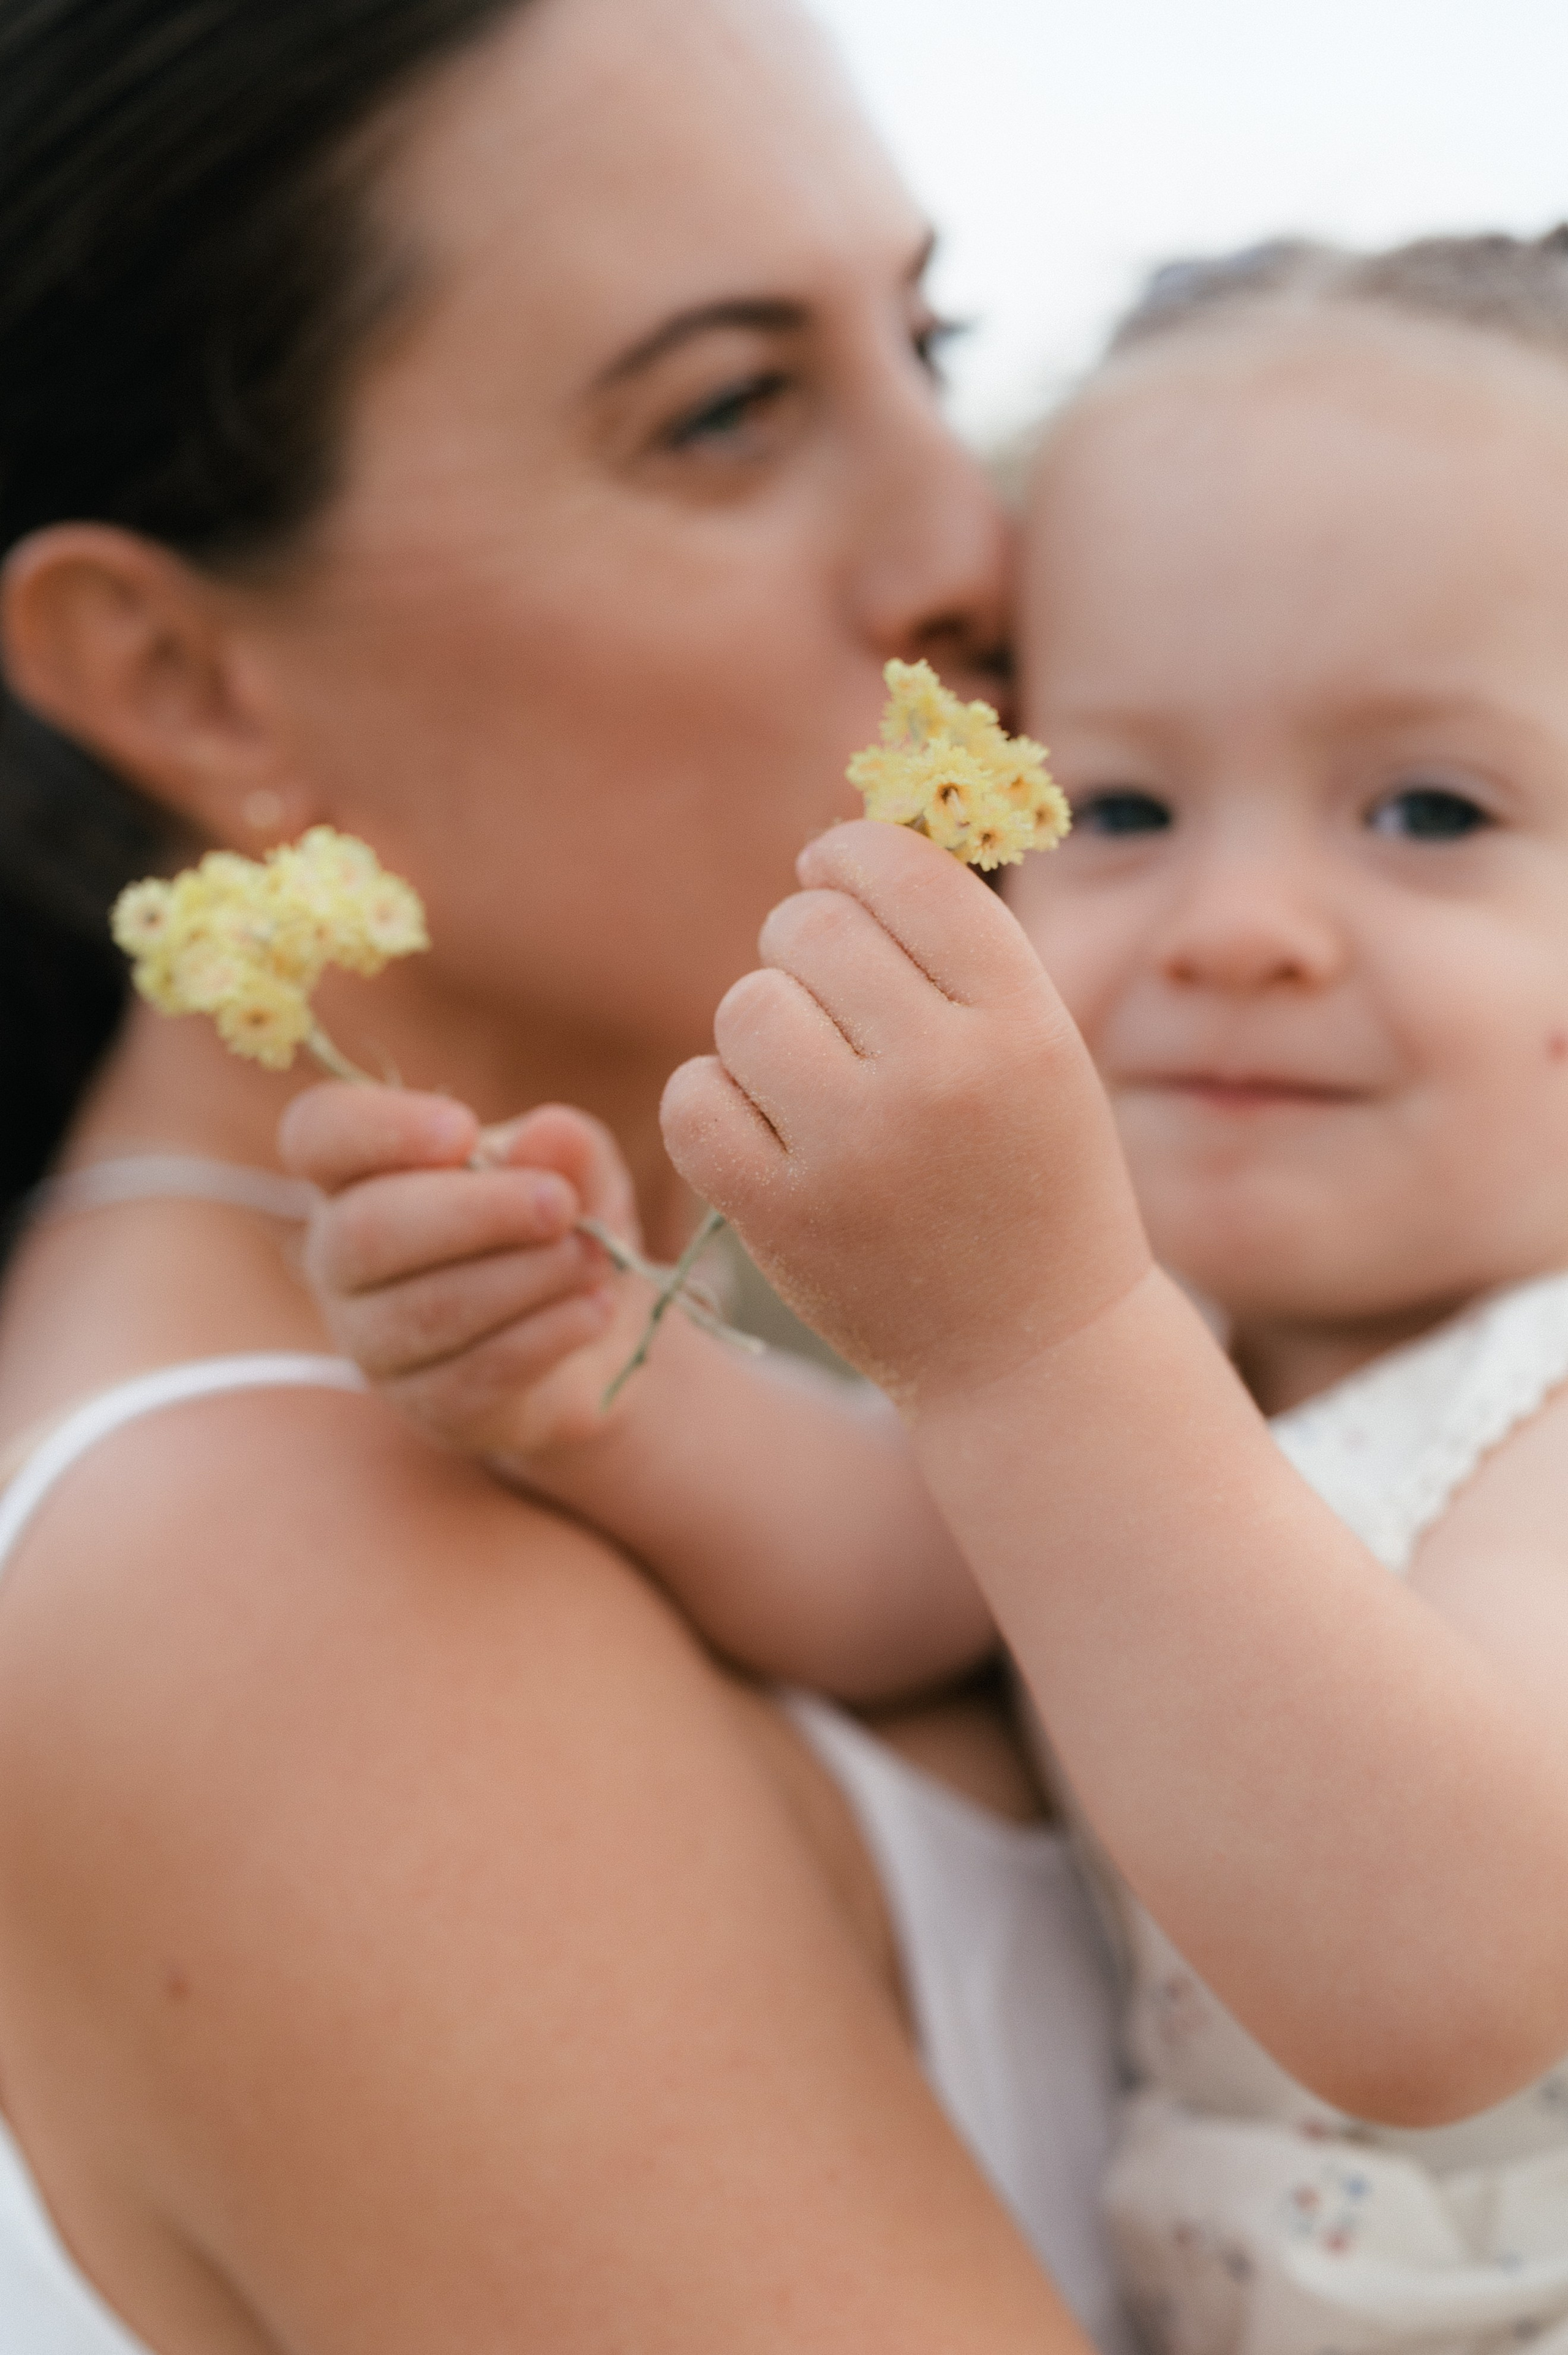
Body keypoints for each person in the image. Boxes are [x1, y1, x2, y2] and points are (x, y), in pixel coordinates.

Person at [296, 230, 1568, 2353]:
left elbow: (1435, 1972)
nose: (1238, 923)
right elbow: (893, 1559)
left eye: (1431, 808)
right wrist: (578, 1364)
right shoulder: (1190, 1362)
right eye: (1127, 803)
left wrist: (1035, 1334)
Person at [0, 1, 1137, 2348]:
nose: (968, 542)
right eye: (728, 409)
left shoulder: (629, 1353)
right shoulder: (293, 1588)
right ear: (177, 675)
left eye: (929, 340)